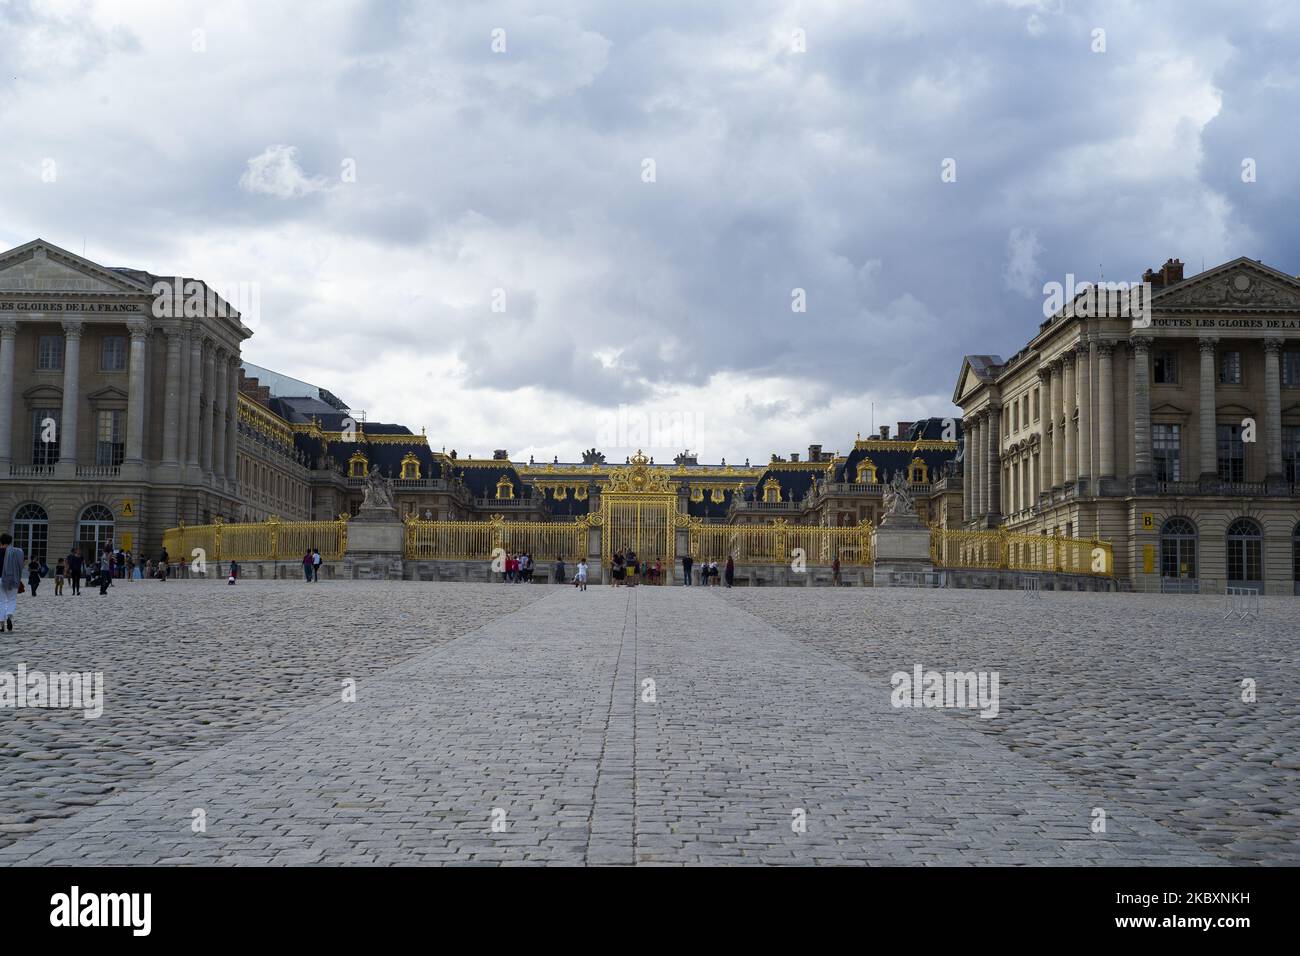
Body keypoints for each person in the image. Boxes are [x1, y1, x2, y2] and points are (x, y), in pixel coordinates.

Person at [0, 532, 24, 631]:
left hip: (0, 579)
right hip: (13, 579)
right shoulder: (17, 552)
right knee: (11, 599)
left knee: (1, 602)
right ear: (10, 542)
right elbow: (20, 566)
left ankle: (1, 625)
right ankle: (9, 615)